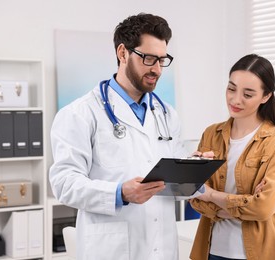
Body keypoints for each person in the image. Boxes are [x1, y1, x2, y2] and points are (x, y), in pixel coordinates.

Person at [49, 13, 189, 260]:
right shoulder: (80, 114)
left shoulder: (167, 114)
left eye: (162, 60)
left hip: (163, 247)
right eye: (148, 58)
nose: (156, 69)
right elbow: (64, 183)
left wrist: (193, 166)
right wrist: (120, 193)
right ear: (123, 53)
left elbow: (174, 175)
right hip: (111, 250)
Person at [189, 54, 275, 260]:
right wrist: (243, 205)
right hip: (211, 251)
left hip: (259, 253)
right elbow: (195, 198)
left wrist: (211, 195)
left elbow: (263, 207)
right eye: (231, 89)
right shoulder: (211, 134)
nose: (235, 100)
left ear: (265, 97)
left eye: (248, 94)